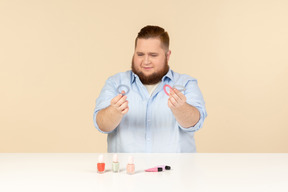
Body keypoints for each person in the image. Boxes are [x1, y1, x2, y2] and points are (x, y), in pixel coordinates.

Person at [93, 25, 207, 153]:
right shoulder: (115, 83)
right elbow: (102, 125)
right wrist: (114, 111)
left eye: (153, 55)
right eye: (140, 54)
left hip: (176, 170)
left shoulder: (186, 83)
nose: (145, 61)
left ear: (167, 55)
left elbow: (195, 123)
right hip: (126, 171)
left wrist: (180, 107)